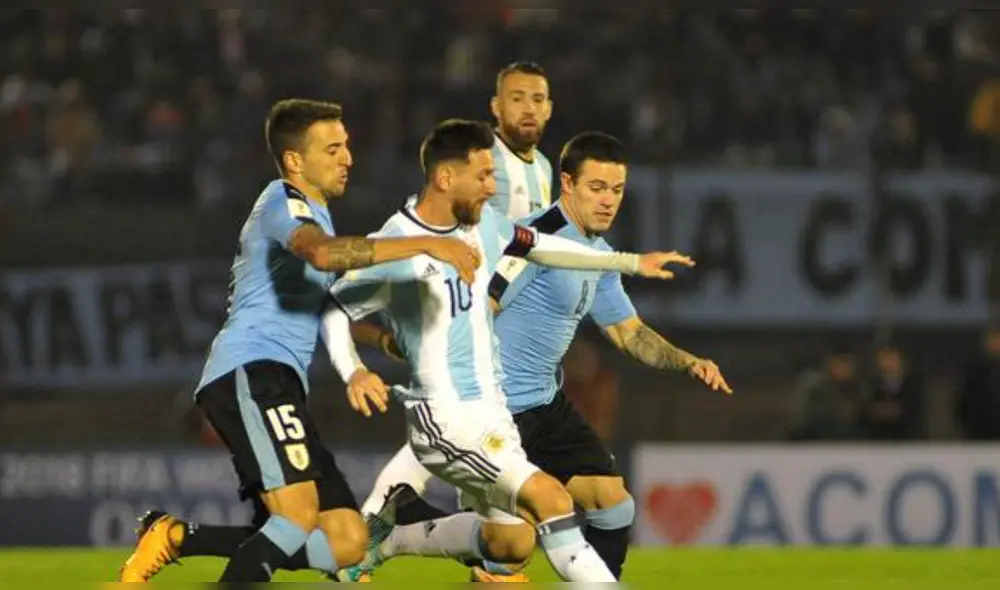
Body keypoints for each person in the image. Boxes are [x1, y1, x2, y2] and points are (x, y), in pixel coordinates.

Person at [117, 98, 481, 582]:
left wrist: (380, 339)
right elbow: (327, 256)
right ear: (294, 160)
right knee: (296, 517)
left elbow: (320, 305)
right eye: (332, 149)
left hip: (279, 380)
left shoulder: (315, 215)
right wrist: (429, 240)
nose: (347, 158)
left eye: (347, 147)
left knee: (347, 542)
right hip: (251, 370)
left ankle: (178, 536)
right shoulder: (283, 200)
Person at [343, 132, 732, 581]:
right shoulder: (533, 240)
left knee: (614, 505)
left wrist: (689, 361)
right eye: (597, 188)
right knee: (511, 549)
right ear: (567, 184)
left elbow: (629, 334)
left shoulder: (597, 255)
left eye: (617, 190)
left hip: (545, 404)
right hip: (495, 411)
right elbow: (479, 304)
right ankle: (399, 528)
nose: (608, 201)